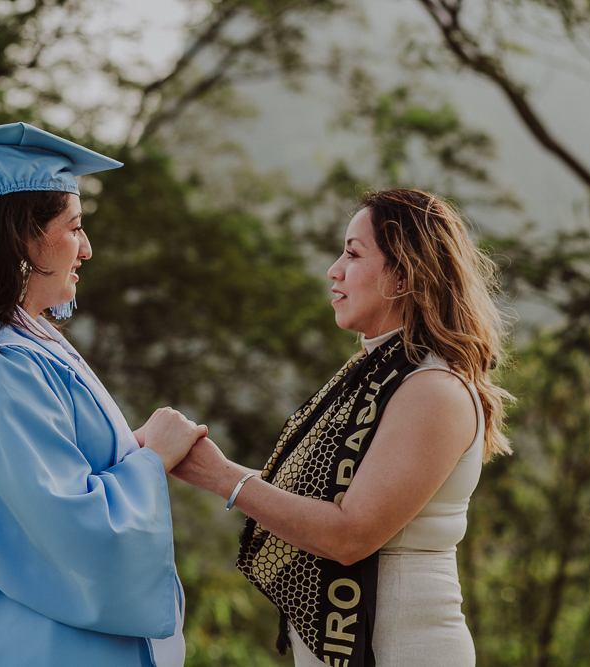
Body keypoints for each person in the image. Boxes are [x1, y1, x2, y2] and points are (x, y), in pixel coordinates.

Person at [0, 122, 206, 667]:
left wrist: (134, 449)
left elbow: (43, 485)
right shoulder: (0, 369)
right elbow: (67, 526)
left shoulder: (23, 348)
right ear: (23, 237)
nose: (86, 249)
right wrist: (152, 454)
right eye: (74, 227)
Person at [170, 188, 512, 667]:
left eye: (353, 253)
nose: (334, 270)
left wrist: (222, 476)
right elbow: (314, 504)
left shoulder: (432, 388)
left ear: (403, 273)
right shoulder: (378, 373)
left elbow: (349, 535)